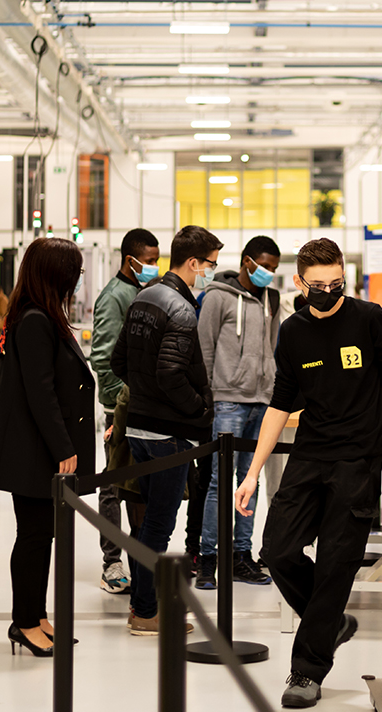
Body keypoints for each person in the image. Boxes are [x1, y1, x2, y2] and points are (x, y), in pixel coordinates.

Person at [235, 238, 382, 709]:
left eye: (336, 284)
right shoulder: (292, 332)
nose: (329, 292)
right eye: (318, 285)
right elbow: (280, 404)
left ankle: (306, 670)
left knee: (337, 564)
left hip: (359, 460)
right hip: (310, 456)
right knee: (276, 550)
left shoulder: (369, 319)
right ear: (299, 283)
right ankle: (330, 621)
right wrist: (253, 473)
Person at [0, 238, 95, 657]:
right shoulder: (34, 321)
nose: (77, 280)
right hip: (33, 450)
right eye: (74, 272)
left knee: (41, 535)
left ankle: (37, 615)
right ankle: (24, 622)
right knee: (32, 536)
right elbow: (40, 393)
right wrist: (64, 446)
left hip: (39, 447)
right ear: (55, 274)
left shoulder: (44, 316)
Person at [111, 224, 221, 637]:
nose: (210, 272)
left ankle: (143, 606)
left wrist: (146, 395)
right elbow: (173, 374)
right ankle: (145, 612)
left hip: (138, 428)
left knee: (148, 525)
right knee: (158, 525)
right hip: (169, 435)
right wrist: (200, 412)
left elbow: (120, 362)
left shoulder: (144, 298)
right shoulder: (179, 307)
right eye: (209, 264)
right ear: (192, 263)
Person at [195, 236, 282, 591]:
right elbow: (204, 347)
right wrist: (212, 395)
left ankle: (241, 556)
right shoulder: (217, 296)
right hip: (227, 400)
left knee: (251, 480)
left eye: (274, 269)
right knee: (220, 482)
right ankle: (208, 558)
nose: (269, 274)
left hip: (262, 400)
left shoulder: (272, 299)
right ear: (247, 262)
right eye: (265, 266)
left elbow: (273, 347)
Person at [89, 227, 160, 594]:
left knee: (140, 488)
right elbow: (102, 358)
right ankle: (111, 562)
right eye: (149, 262)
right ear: (130, 260)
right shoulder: (113, 298)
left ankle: (140, 558)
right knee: (114, 485)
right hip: (121, 410)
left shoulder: (147, 293)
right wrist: (122, 406)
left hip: (146, 409)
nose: (154, 267)